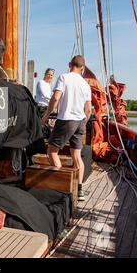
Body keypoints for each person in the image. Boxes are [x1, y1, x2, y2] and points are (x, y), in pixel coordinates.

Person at [41, 55, 92, 202]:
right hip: (80, 121)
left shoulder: (64, 77)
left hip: (66, 120)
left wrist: (46, 115)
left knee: (52, 151)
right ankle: (80, 190)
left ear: (70, 64)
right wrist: (83, 121)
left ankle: (62, 186)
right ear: (82, 68)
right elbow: (88, 109)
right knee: (76, 156)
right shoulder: (85, 84)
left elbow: (56, 98)